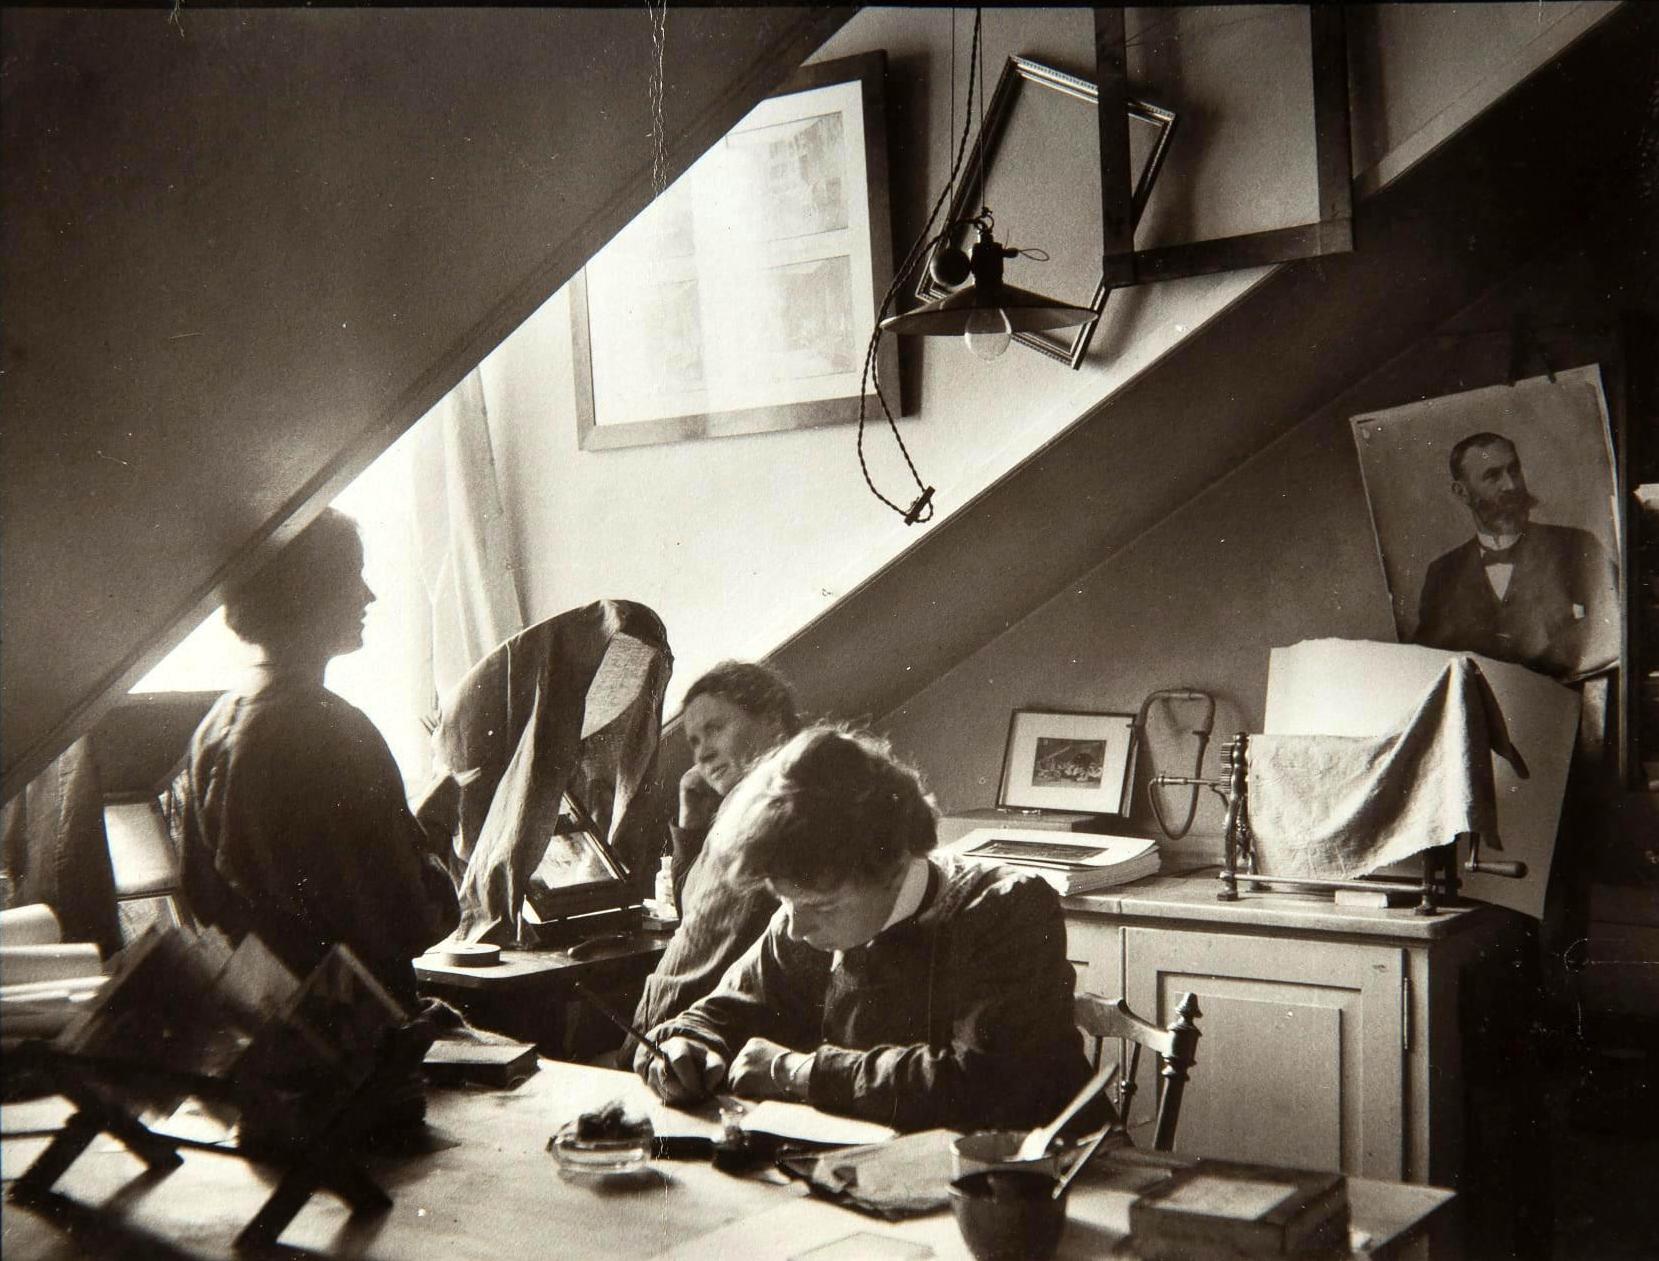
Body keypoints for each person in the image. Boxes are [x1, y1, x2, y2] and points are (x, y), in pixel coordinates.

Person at [638, 726, 1099, 1135]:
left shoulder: (1008, 907)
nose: (795, 928)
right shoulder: (805, 921)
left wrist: (796, 1071)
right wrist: (684, 1048)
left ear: (895, 866)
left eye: (822, 906)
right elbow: (715, 1016)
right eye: (785, 902)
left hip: (1047, 1182)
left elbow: (983, 1080)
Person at [176, 508, 460, 1009]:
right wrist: (434, 828)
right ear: (306, 593)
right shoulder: (334, 730)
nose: (369, 595)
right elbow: (408, 920)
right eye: (352, 576)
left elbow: (204, 900)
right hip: (354, 1035)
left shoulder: (215, 725)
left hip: (266, 1024)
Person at [626, 661, 800, 1068]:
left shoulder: (780, 806)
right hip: (666, 1029)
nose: (702, 752)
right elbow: (703, 915)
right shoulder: (739, 804)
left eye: (715, 729)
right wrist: (691, 823)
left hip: (695, 1042)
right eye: (693, 740)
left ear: (773, 721)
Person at [1414, 431, 1616, 677]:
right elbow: (1429, 663)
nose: (1511, 485)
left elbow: (1620, 625)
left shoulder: (1578, 546)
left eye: (1514, 470)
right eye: (1492, 476)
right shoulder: (1442, 574)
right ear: (1461, 492)